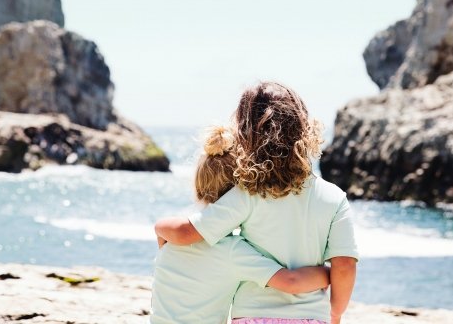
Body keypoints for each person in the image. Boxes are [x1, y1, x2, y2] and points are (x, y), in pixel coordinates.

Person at [155, 81, 359, 324]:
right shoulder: (334, 197)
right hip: (311, 315)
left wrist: (160, 229)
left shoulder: (247, 192)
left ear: (245, 134)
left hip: (252, 314)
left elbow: (189, 233)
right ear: (304, 129)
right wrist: (335, 312)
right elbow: (345, 265)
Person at [150, 124, 331, 324]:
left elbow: (163, 230)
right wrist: (328, 274)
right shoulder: (232, 250)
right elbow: (290, 281)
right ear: (239, 199)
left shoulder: (169, 235)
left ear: (197, 183)